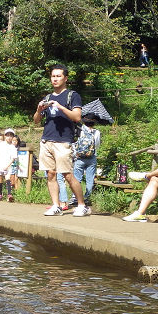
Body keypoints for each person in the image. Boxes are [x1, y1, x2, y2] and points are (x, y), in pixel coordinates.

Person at [33, 64, 90, 217]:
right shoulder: (47, 97)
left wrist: (60, 107)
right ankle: (56, 205)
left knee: (67, 175)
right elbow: (36, 121)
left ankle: (82, 205)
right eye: (53, 76)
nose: (55, 79)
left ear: (65, 78)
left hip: (64, 141)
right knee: (50, 174)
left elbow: (77, 117)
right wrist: (39, 110)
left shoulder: (72, 95)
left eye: (58, 76)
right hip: (46, 141)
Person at [58, 117, 102, 208]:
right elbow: (97, 145)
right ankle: (87, 197)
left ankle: (75, 198)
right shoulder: (97, 132)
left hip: (80, 158)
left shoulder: (80, 131)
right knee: (90, 179)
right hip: (92, 157)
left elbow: (75, 143)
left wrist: (75, 153)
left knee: (77, 178)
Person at [0, 129, 18, 201]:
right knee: (0, 178)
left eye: (11, 135)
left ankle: (9, 194)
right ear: (5, 136)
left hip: (8, 164)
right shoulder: (0, 144)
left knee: (8, 178)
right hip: (0, 163)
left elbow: (13, 158)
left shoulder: (13, 147)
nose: (9, 137)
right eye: (7, 135)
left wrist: (7, 166)